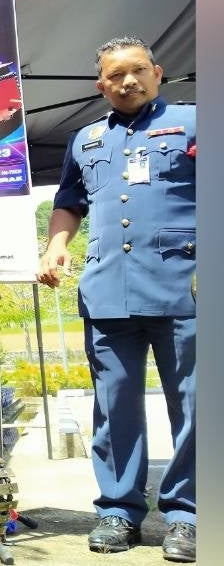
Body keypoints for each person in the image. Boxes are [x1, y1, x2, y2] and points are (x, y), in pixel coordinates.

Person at [38, 36, 195, 562]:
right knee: (113, 406)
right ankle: (118, 511)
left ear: (157, 71)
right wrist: (56, 247)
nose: (128, 82)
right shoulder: (85, 140)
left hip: (185, 288)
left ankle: (188, 515)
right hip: (108, 292)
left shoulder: (197, 122)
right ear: (100, 85)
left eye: (137, 71)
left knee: (195, 406)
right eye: (115, 76)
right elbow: (68, 204)